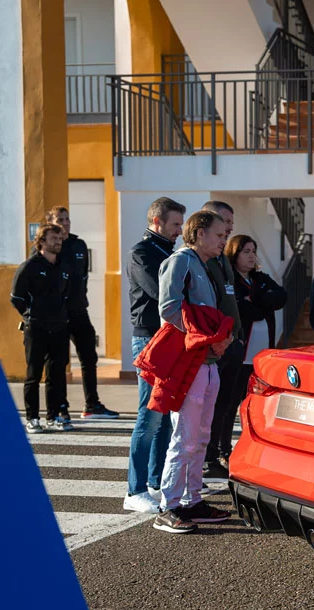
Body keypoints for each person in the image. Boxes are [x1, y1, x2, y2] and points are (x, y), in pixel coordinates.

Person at [154, 210, 234, 533]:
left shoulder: (203, 264)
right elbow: (167, 307)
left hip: (208, 361)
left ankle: (192, 499)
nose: (223, 239)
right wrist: (201, 336)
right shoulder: (181, 261)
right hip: (191, 361)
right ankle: (168, 505)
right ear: (199, 233)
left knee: (201, 436)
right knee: (184, 436)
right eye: (218, 235)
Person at [123, 197, 185, 514]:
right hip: (149, 339)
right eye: (175, 224)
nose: (180, 231)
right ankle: (134, 490)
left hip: (169, 338)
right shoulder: (141, 253)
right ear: (157, 221)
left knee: (163, 419)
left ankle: (155, 482)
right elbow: (161, 293)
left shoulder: (169, 252)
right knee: (148, 417)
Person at [213, 234, 287, 468]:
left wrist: (255, 298)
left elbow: (280, 297)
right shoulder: (230, 279)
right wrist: (258, 302)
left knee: (256, 405)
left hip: (261, 357)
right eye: (246, 251)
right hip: (239, 354)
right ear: (234, 253)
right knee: (230, 403)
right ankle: (222, 449)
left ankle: (252, 447)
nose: (251, 256)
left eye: (253, 251)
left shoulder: (259, 279)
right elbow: (247, 311)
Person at [44, 207, 119, 422]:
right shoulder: (48, 247)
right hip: (56, 315)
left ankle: (92, 404)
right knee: (57, 362)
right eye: (60, 219)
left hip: (78, 311)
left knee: (89, 356)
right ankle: (60, 407)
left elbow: (83, 276)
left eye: (67, 219)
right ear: (50, 221)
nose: (66, 223)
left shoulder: (78, 245)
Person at [11, 222, 71, 433]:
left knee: (56, 374)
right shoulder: (29, 266)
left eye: (60, 238)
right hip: (36, 328)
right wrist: (31, 315)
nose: (59, 242)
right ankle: (32, 418)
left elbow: (67, 295)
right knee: (33, 374)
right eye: (54, 238)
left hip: (60, 328)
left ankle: (53, 416)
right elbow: (16, 298)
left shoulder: (64, 266)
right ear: (42, 241)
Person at [201, 201, 244, 480]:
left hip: (232, 343)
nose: (229, 227)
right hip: (215, 346)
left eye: (231, 222)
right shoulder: (200, 259)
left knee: (227, 404)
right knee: (210, 406)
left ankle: (218, 452)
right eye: (224, 221)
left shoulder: (222, 259)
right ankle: (205, 458)